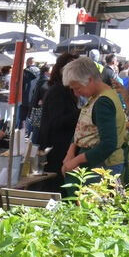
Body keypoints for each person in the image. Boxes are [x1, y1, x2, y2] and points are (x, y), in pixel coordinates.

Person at [61, 57, 127, 186]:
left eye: (77, 88)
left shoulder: (103, 102)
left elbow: (108, 144)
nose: (76, 93)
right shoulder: (97, 97)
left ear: (90, 80)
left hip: (103, 166)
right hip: (93, 162)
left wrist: (76, 161)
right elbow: (83, 128)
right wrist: (70, 153)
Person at [33, 53, 80, 192]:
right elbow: (56, 122)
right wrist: (81, 113)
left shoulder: (64, 91)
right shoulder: (58, 91)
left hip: (59, 148)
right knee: (56, 188)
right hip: (56, 150)